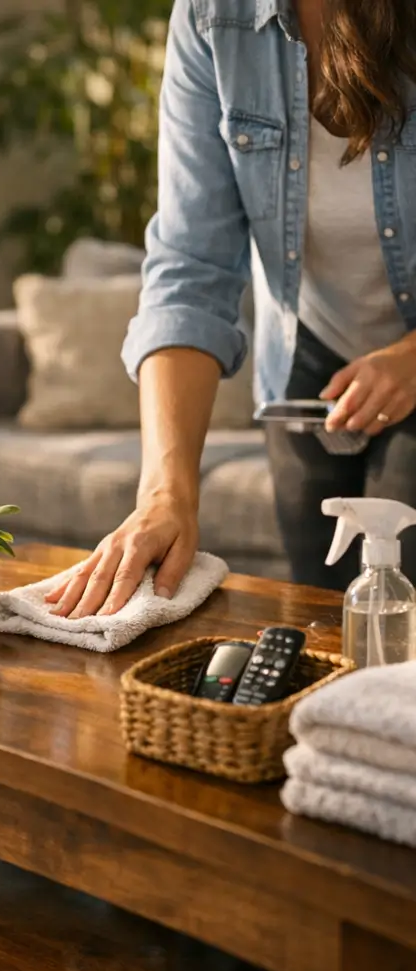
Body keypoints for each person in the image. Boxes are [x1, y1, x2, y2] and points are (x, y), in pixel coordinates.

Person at [48, 0, 416, 618]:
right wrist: (165, 493)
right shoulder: (211, 16)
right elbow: (192, 267)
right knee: (320, 620)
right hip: (307, 361)